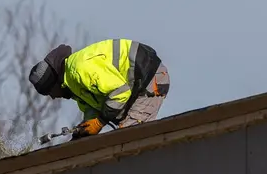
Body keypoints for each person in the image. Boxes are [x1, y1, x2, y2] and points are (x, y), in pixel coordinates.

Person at [28, 38, 170, 139]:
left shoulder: (79, 69)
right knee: (123, 137)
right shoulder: (72, 84)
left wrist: (100, 121)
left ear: (54, 82)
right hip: (135, 84)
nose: (53, 97)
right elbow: (92, 109)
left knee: (127, 138)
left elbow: (120, 92)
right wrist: (83, 130)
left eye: (50, 92)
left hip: (149, 78)